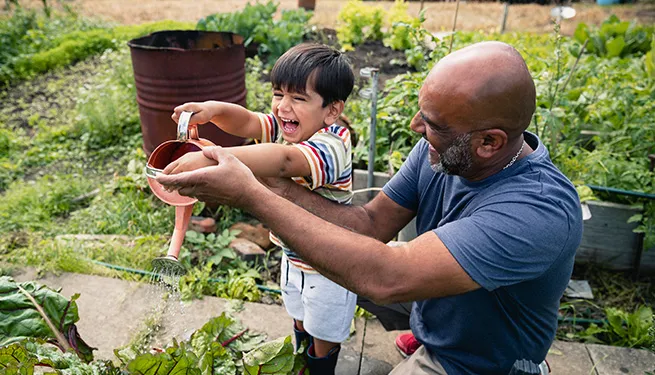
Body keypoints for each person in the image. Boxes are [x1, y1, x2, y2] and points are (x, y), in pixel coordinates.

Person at [157, 41, 584, 375]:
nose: (417, 128)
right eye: (422, 113)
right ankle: (425, 330)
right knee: (341, 270)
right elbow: (369, 225)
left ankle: (435, 342)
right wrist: (255, 177)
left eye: (433, 124)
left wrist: (248, 191)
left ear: (489, 142)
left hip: (479, 362)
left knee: (359, 277)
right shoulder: (440, 151)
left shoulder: (537, 210)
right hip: (433, 304)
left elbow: (387, 276)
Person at [164, 43, 356, 375]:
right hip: (293, 255)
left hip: (330, 266)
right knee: (299, 318)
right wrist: (212, 109)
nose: (283, 107)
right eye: (278, 94)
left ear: (332, 110)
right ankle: (300, 363)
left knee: (323, 336)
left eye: (298, 98)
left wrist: (215, 158)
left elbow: (284, 162)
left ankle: (319, 368)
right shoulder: (291, 127)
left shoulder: (332, 145)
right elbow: (250, 122)